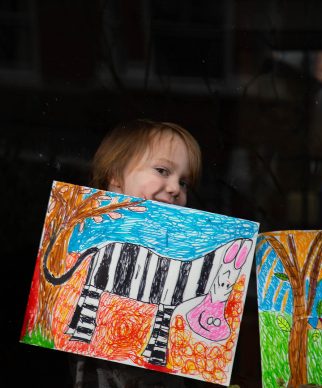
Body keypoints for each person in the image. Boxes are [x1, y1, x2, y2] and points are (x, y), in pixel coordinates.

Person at [71, 118, 203, 387]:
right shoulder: (89, 240)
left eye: (184, 182)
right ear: (115, 177)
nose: (176, 188)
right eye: (162, 170)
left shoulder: (180, 256)